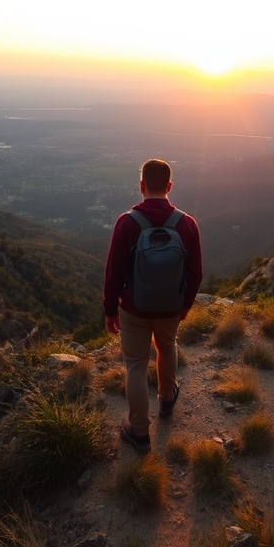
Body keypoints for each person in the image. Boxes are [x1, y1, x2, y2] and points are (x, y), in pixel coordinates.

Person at [103, 158, 203, 454]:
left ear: (141, 185)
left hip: (133, 308)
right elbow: (196, 272)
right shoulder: (187, 224)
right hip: (171, 306)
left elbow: (114, 272)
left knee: (135, 365)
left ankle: (138, 432)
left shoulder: (126, 222)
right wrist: (186, 305)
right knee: (167, 345)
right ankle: (167, 399)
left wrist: (110, 310)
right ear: (170, 186)